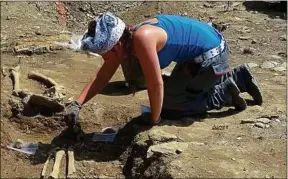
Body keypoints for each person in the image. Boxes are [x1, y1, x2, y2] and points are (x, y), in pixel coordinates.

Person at [64, 12, 263, 127]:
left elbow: (155, 83)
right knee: (155, 85)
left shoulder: (142, 40)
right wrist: (77, 103)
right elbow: (104, 75)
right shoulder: (130, 36)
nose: (104, 59)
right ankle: (239, 76)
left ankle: (226, 91)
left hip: (211, 58)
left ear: (115, 46)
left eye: (104, 54)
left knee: (171, 107)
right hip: (201, 52)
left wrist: (155, 118)